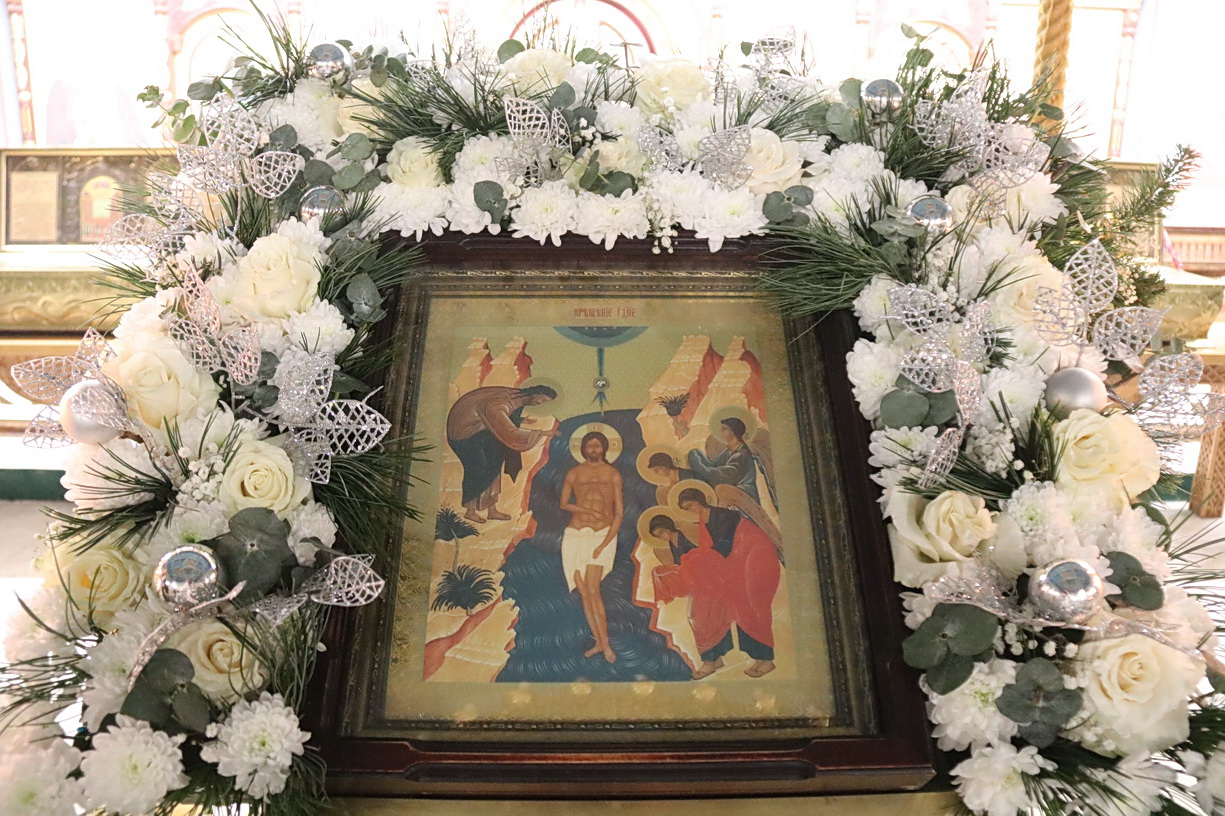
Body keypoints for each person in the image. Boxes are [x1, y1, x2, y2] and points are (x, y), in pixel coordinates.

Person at [676, 487, 780, 679]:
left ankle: (766, 660)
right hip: (734, 565)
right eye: (685, 508)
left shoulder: (724, 516)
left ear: (700, 501)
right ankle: (715, 658)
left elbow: (725, 546)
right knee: (712, 605)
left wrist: (697, 559)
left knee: (751, 606)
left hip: (754, 560)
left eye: (690, 505)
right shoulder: (703, 522)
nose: (689, 510)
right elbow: (712, 550)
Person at [446, 384, 558, 524]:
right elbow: (510, 431)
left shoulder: (516, 397)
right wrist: (542, 433)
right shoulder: (500, 403)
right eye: (542, 400)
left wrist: (521, 420)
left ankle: (492, 509)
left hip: (482, 431)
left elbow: (503, 418)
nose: (541, 404)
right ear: (535, 393)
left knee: (496, 461)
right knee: (478, 469)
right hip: (464, 436)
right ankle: (470, 511)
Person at [560, 431, 624, 663]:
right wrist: (587, 511)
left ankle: (605, 644)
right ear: (583, 449)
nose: (594, 449)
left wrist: (605, 543)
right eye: (590, 446)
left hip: (601, 533)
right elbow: (564, 503)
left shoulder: (612, 473)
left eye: (598, 445)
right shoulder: (574, 473)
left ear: (604, 448)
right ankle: (598, 643)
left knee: (594, 589)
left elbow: (619, 514)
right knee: (585, 592)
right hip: (576, 534)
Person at [687, 417, 761, 502]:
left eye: (724, 429)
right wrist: (697, 454)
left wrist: (699, 467)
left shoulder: (741, 454)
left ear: (733, 431)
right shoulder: (728, 451)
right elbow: (716, 466)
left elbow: (725, 476)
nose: (721, 431)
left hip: (744, 494)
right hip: (732, 490)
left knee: (719, 490)